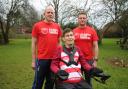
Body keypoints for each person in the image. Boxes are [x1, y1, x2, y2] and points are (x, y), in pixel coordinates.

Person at [31, 5, 62, 89]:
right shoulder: (37, 26)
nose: (50, 14)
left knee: (50, 83)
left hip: (54, 60)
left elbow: (59, 43)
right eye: (48, 12)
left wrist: (60, 58)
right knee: (38, 83)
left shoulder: (57, 26)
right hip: (41, 59)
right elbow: (33, 43)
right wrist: (33, 61)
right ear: (44, 14)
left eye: (52, 13)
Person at [73, 11, 99, 86]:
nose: (82, 19)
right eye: (80, 18)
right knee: (77, 80)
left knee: (88, 81)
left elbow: (95, 46)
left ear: (86, 19)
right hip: (77, 60)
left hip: (89, 60)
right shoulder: (74, 31)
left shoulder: (92, 31)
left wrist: (95, 61)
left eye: (84, 18)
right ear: (78, 19)